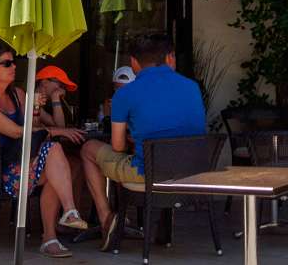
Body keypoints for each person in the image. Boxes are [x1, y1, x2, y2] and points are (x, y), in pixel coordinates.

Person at [0, 45, 91, 257]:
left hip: (24, 164)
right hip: (1, 174)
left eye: (14, 62)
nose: (14, 66)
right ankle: (56, 228)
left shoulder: (18, 95)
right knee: (54, 153)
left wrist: (35, 109)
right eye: (7, 63)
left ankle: (60, 225)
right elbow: (16, 132)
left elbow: (33, 127)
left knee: (54, 160)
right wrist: (58, 131)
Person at [79, 31, 206, 235]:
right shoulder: (192, 87)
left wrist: (133, 140)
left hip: (148, 173)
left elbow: (118, 146)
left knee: (88, 149)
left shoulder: (125, 93)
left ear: (133, 62)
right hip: (191, 172)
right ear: (169, 58)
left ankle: (106, 219)